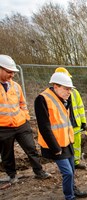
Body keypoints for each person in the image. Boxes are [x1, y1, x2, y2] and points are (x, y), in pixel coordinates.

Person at [34, 72, 87, 200]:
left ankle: (73, 189)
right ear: (55, 86)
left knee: (72, 169)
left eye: (70, 89)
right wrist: (55, 148)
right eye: (66, 88)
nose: (69, 92)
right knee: (67, 173)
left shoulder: (64, 99)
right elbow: (44, 127)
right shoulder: (42, 99)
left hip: (67, 140)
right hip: (56, 145)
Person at [0, 54, 51, 184]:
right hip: (3, 127)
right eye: (9, 72)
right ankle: (12, 176)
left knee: (31, 148)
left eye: (13, 72)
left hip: (21, 124)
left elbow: (23, 103)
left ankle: (39, 171)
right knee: (7, 154)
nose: (12, 75)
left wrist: (25, 116)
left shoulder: (16, 86)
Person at [55, 67, 87, 170]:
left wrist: (83, 122)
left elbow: (80, 107)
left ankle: (76, 162)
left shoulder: (75, 92)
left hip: (75, 123)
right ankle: (68, 164)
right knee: (66, 145)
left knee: (77, 144)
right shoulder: (54, 95)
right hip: (64, 125)